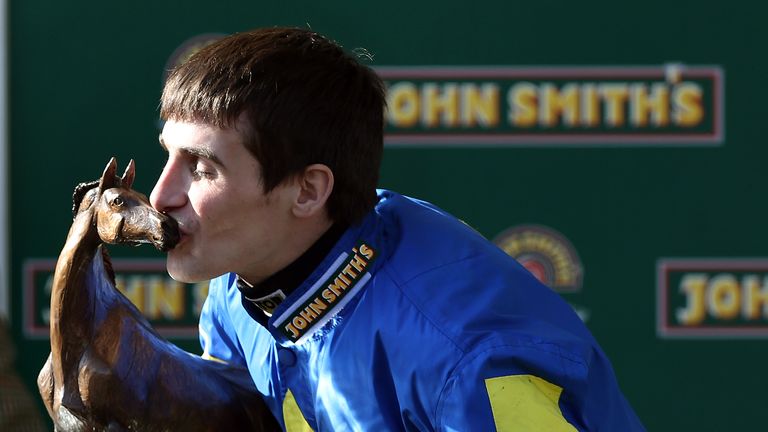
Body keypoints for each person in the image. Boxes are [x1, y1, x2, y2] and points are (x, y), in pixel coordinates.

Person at [150, 27, 645, 431]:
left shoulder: (464, 364)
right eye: (168, 155)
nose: (160, 196)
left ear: (307, 191)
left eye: (202, 168)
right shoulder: (240, 284)